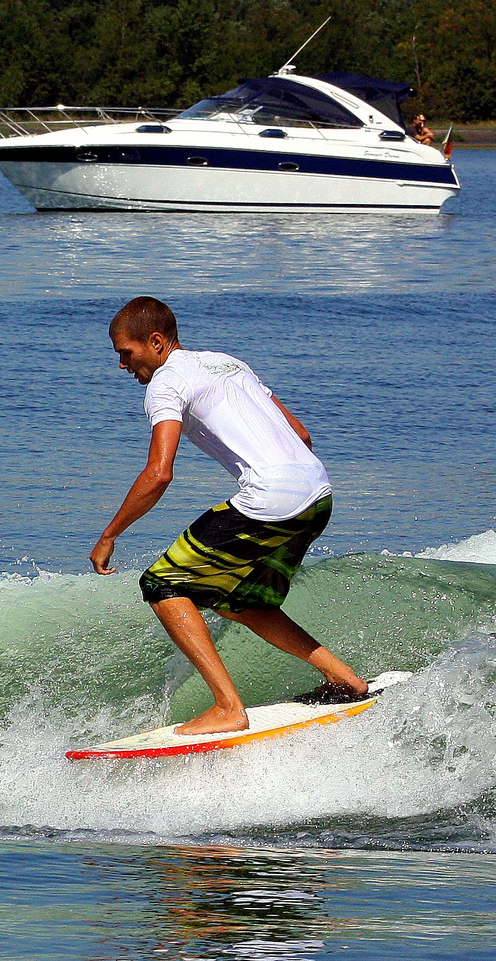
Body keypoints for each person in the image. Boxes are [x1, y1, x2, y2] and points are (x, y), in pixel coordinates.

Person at [89, 297, 370, 736]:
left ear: (157, 342)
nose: (123, 365)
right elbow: (301, 433)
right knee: (241, 599)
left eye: (126, 353)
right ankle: (345, 679)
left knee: (162, 584)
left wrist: (109, 534)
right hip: (318, 493)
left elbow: (159, 473)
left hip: (271, 499)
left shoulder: (165, 383)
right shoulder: (226, 362)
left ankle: (228, 707)